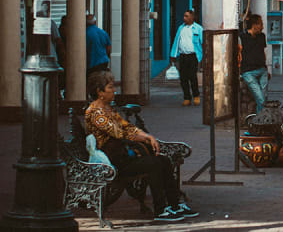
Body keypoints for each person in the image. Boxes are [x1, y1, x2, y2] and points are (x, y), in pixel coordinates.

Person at [85, 71, 198, 222]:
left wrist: (147, 136)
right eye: (110, 87)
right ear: (99, 92)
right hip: (112, 162)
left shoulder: (108, 109)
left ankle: (175, 204)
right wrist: (143, 137)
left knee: (163, 160)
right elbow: (119, 133)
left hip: (122, 156)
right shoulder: (95, 112)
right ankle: (160, 209)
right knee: (154, 164)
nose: (114, 90)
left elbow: (128, 127)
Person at [170, 9, 203, 106]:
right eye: (184, 16)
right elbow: (176, 41)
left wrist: (204, 56)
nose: (184, 18)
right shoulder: (181, 28)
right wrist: (173, 55)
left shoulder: (198, 29)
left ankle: (196, 96)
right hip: (183, 56)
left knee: (192, 76)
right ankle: (187, 97)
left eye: (186, 16)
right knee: (183, 78)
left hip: (193, 56)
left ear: (192, 17)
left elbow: (203, 42)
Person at [240, 14, 269, 113]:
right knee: (260, 97)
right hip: (248, 71)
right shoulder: (243, 37)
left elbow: (263, 52)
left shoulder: (262, 36)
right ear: (254, 25)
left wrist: (266, 67)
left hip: (262, 69)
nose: (262, 27)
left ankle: (260, 117)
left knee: (264, 96)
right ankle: (261, 119)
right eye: (261, 24)